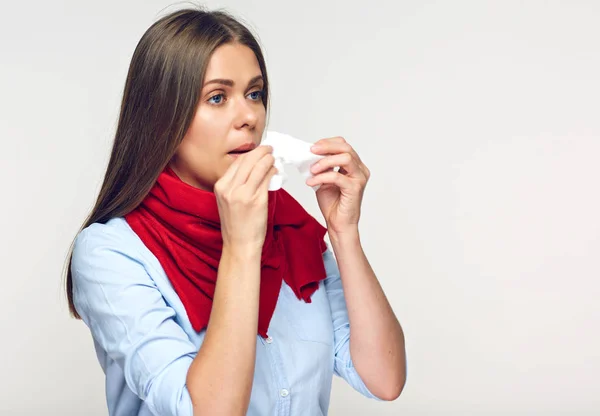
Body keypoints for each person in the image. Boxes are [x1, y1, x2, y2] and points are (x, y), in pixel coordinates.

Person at [65, 7, 406, 416]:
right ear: (163, 120)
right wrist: (243, 246)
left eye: (255, 93)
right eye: (217, 97)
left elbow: (384, 379)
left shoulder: (291, 231)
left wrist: (343, 233)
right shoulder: (111, 252)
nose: (249, 117)